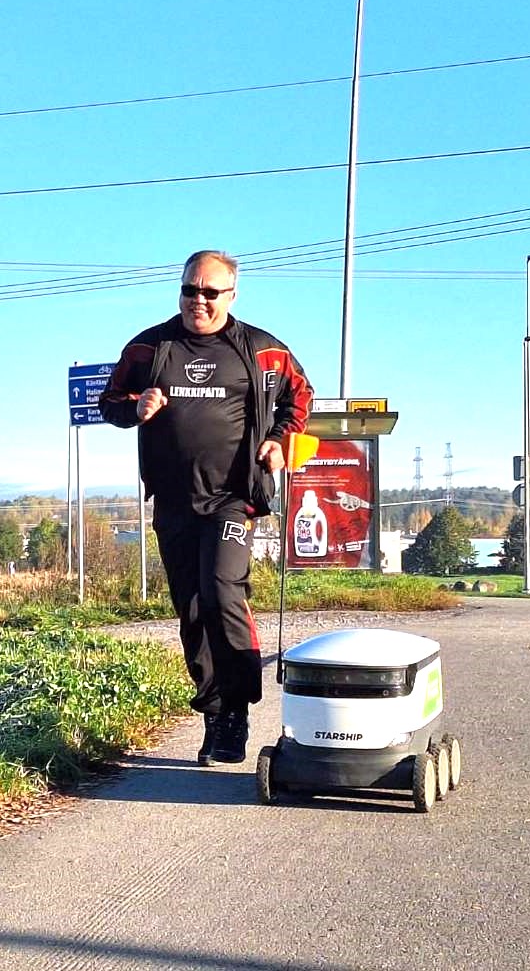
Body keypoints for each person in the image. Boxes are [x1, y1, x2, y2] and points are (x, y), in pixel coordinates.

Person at [99, 250, 313, 765]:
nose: (198, 300)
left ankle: (236, 709)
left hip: (232, 498)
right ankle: (214, 713)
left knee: (221, 593)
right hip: (173, 499)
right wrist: (135, 408)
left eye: (210, 292)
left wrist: (280, 440)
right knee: (192, 609)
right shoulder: (150, 346)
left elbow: (299, 397)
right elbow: (109, 402)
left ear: (231, 295)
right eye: (189, 290)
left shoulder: (262, 350)